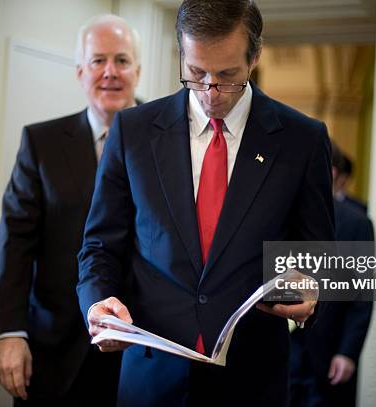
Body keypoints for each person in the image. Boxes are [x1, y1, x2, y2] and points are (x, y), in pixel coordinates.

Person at [77, 1, 334, 406]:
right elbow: (99, 245)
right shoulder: (133, 131)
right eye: (196, 73)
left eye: (228, 75)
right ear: (182, 53)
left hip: (251, 381)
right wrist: (98, 300)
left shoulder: (303, 140)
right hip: (150, 378)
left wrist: (312, 288)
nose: (211, 90)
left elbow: (317, 253)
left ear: (255, 56)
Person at [0, 14, 141, 406]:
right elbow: (15, 244)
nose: (110, 72)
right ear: (80, 71)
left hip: (140, 352)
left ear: (138, 71)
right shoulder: (41, 144)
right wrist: (10, 333)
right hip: (53, 353)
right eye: (98, 60)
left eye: (122, 60)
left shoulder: (167, 143)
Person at [289, 142, 374, 407]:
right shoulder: (282, 212)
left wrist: (347, 353)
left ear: (332, 173)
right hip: (282, 351)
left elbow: (361, 298)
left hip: (328, 353)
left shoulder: (357, 224)